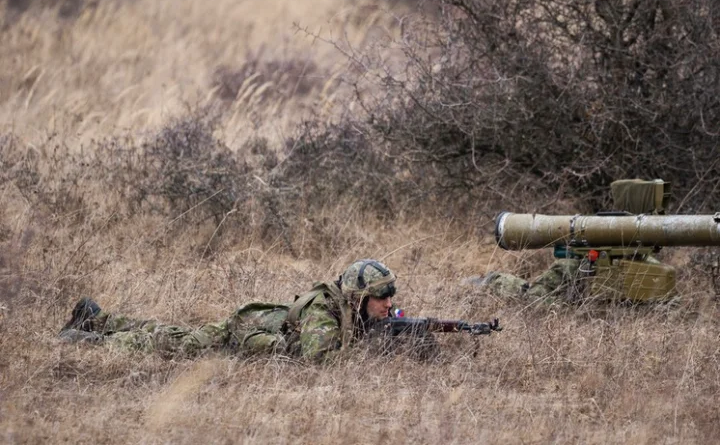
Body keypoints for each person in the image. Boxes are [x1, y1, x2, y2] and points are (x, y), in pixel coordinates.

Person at [59, 259, 421, 361]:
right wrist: (373, 351)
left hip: (260, 326)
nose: (389, 303)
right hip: (245, 329)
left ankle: (98, 317)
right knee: (171, 343)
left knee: (172, 332)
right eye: (382, 297)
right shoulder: (324, 314)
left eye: (390, 295)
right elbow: (318, 359)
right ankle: (89, 339)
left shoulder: (355, 310)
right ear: (359, 297)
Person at [478, 179, 675, 303]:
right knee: (533, 298)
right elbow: (537, 300)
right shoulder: (575, 263)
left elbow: (671, 304)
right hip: (577, 267)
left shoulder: (646, 265)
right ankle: (493, 281)